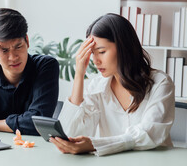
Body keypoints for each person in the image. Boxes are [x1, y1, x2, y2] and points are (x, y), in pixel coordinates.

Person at [50, 13, 175, 156]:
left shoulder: (160, 83)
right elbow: (69, 135)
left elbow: (149, 134)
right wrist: (79, 75)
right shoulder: (96, 87)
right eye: (92, 53)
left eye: (101, 52)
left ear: (123, 47)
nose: (95, 60)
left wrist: (95, 145)